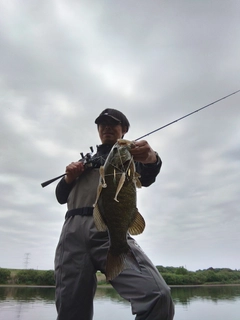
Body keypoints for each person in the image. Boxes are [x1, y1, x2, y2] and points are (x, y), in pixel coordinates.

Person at [54, 108, 175, 320]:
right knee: (70, 312)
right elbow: (60, 196)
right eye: (102, 125)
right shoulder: (82, 163)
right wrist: (68, 178)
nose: (107, 128)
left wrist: (152, 157)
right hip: (72, 234)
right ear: (98, 130)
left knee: (158, 295)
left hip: (111, 231)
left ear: (124, 130)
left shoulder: (129, 157)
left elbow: (147, 175)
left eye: (113, 124)